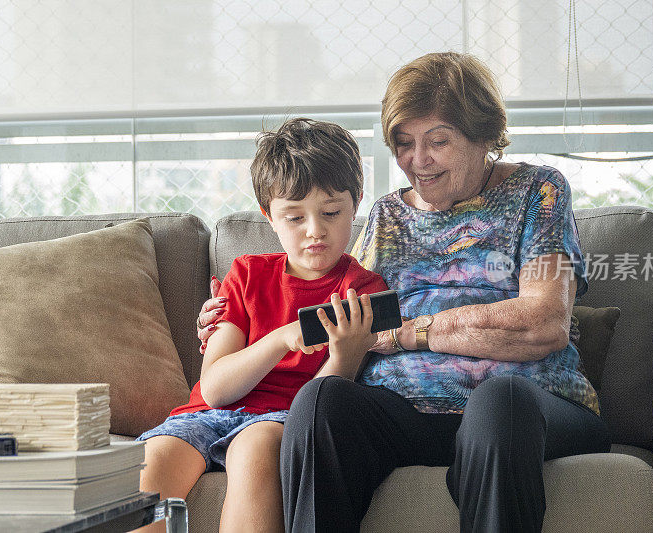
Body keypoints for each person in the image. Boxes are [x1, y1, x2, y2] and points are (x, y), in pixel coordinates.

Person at [197, 52, 611, 533]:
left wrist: (412, 333)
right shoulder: (387, 215)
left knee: (499, 402)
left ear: (483, 136)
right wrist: (233, 318)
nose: (418, 161)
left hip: (527, 408)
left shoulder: (538, 191)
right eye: (404, 143)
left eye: (438, 141)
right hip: (406, 414)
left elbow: (543, 324)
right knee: (322, 400)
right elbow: (346, 317)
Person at [136, 118, 388, 532]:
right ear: (268, 217)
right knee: (153, 463)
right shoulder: (248, 275)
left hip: (281, 419)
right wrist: (281, 338)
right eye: (294, 218)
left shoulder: (361, 289)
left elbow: (320, 409)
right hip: (204, 414)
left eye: (331, 212)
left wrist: (344, 357)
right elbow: (216, 389)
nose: (315, 231)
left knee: (255, 450)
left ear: (356, 204)